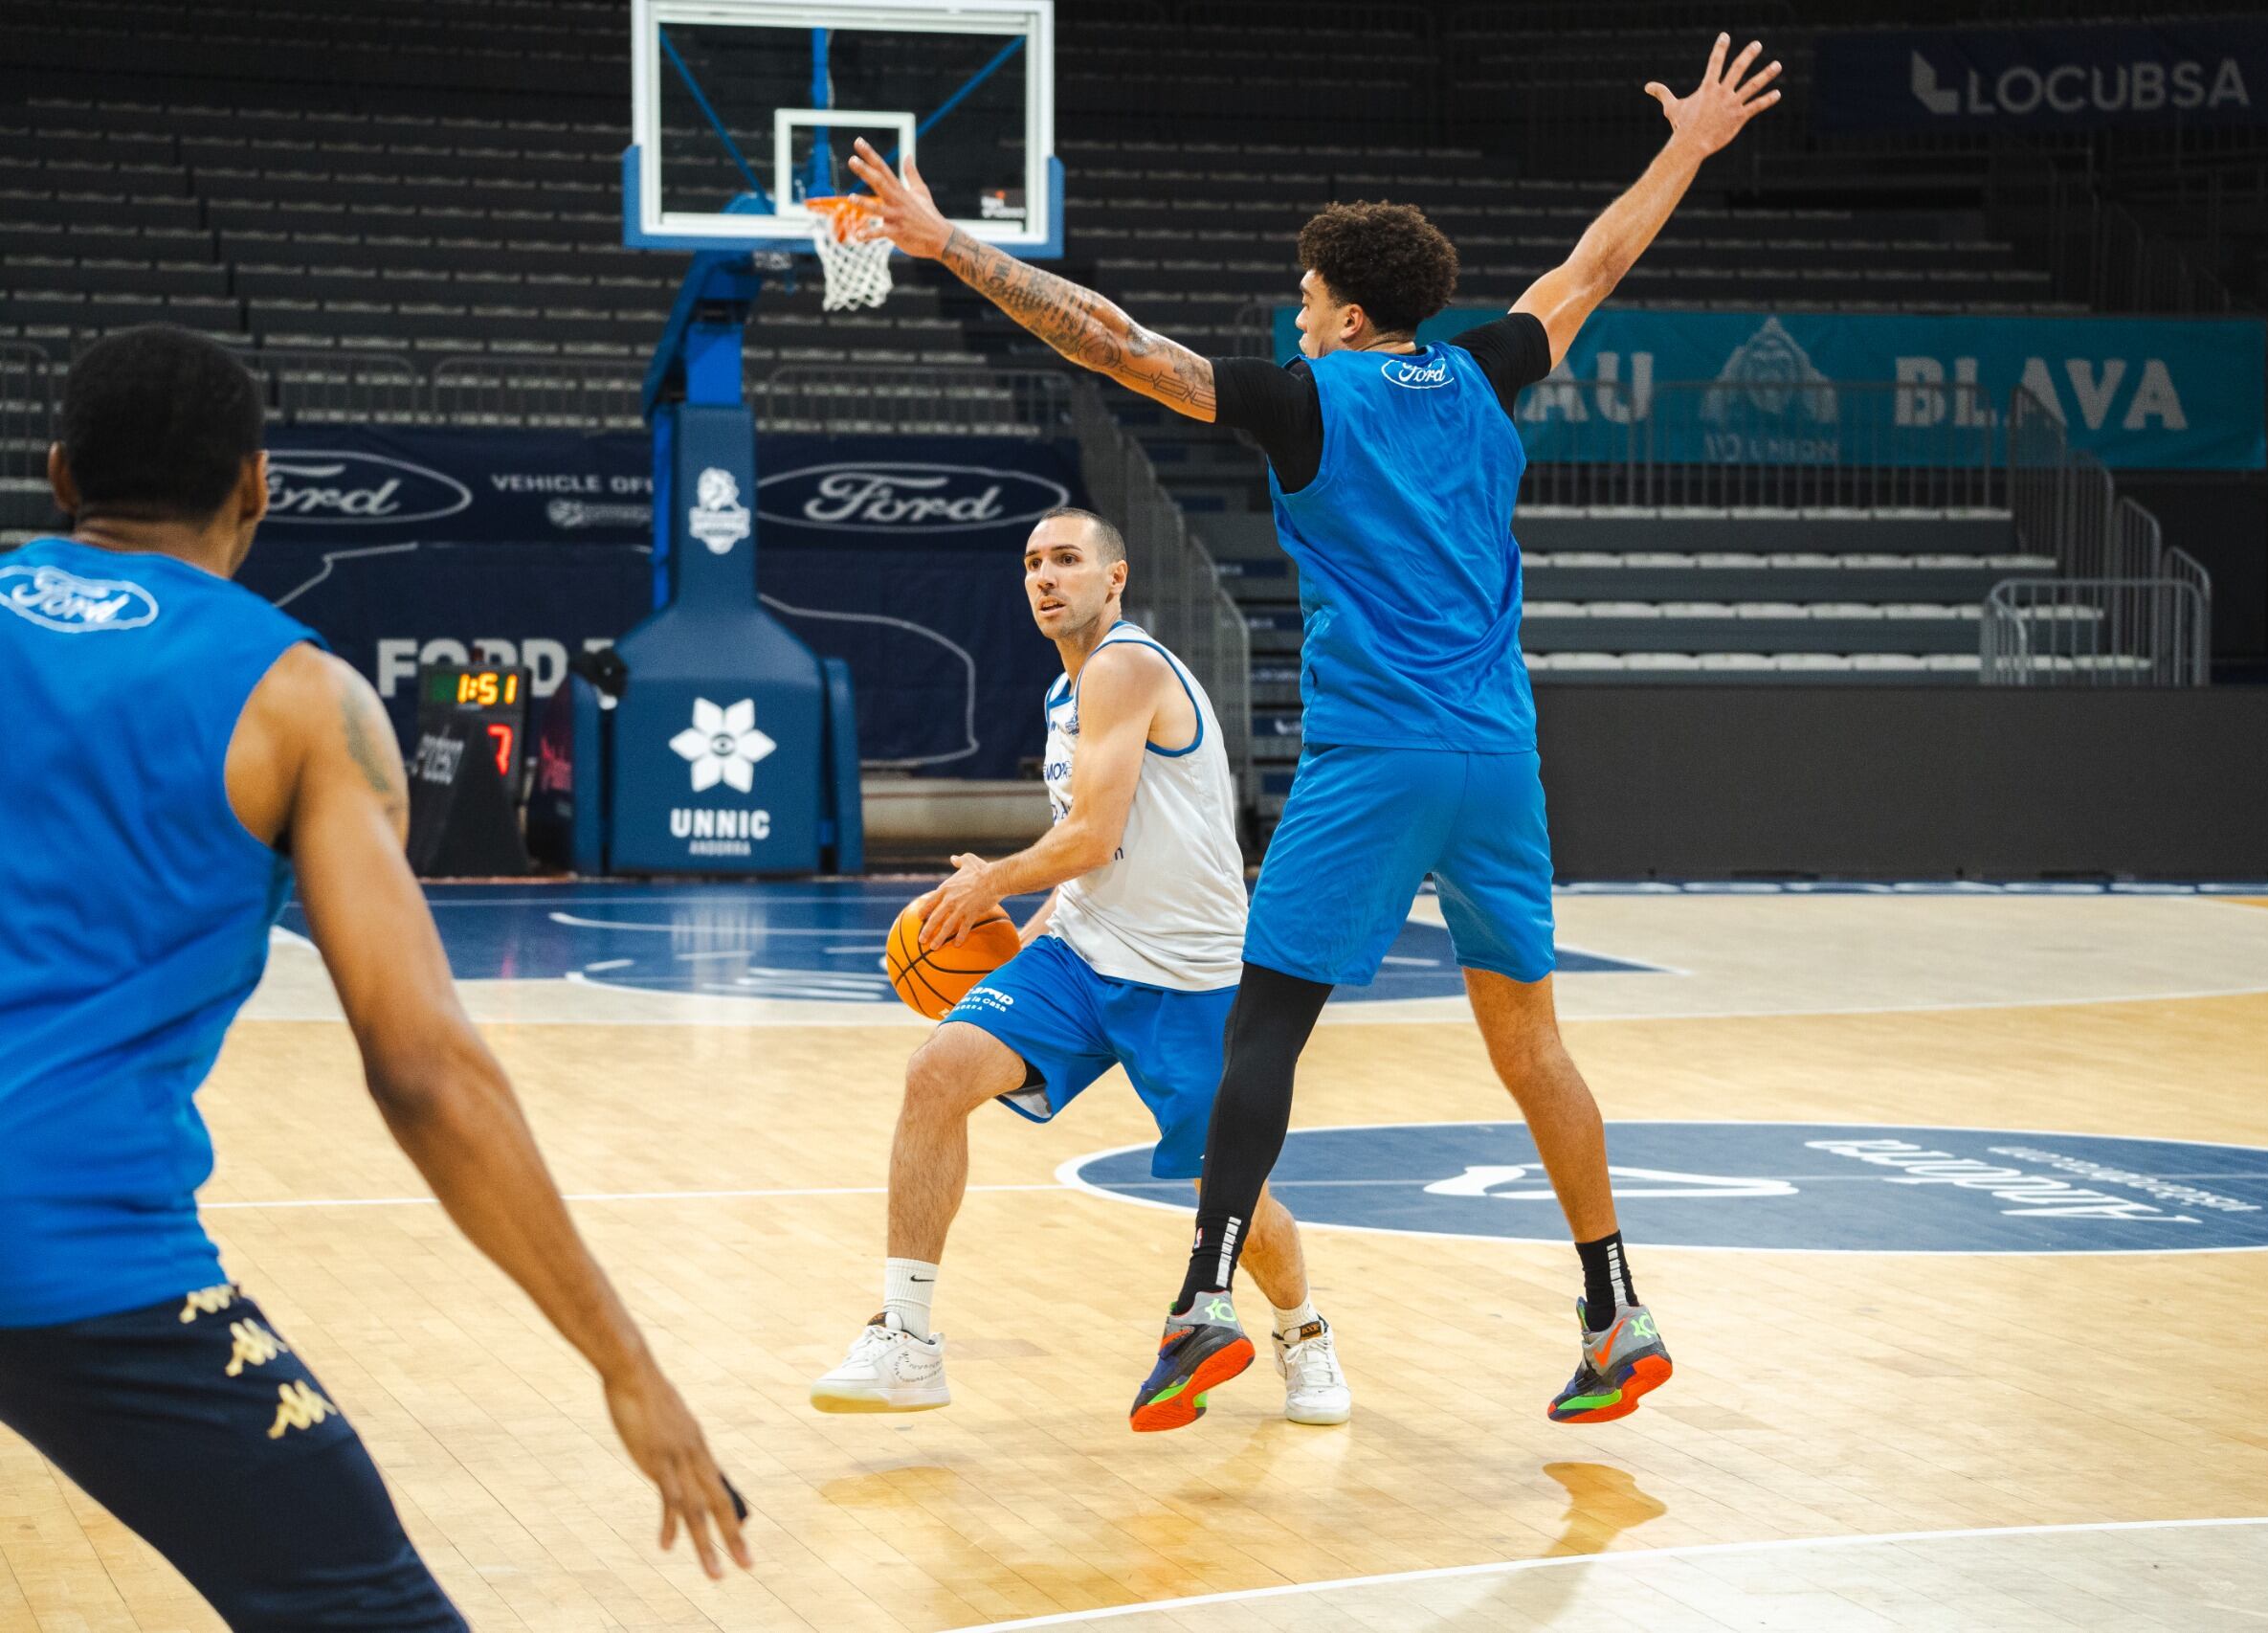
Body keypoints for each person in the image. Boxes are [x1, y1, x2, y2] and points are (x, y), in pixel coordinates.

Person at [846, 36, 1780, 1430]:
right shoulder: (1482, 374)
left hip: (1379, 756)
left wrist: (952, 246)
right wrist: (1689, 148)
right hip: (1501, 761)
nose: (1293, 314)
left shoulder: (1309, 402)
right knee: (1534, 1049)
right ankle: (1613, 1308)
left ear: (1345, 315)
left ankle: (1207, 1298)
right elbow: (1592, 265)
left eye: (1303, 297)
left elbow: (1112, 339)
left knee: (1267, 1027)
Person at [0, 325, 751, 1628]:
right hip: (71, 1246)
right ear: (257, 487)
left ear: (60, 474)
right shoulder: (300, 700)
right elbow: (422, 1063)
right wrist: (625, 1361)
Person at [810, 507, 1349, 1432]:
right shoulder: (1065, 694)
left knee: (1230, 1194)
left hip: (1190, 977)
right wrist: (1028, 935)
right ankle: (905, 1338)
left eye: (1066, 559)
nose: (1045, 577)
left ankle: (1302, 1335)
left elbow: (1090, 832)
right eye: (1031, 564)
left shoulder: (1128, 666)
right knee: (938, 1070)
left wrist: (991, 881)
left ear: (1116, 578)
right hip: (1081, 954)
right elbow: (1094, 855)